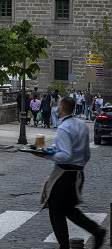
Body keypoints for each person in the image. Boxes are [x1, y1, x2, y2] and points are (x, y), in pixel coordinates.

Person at [39, 97, 106, 249]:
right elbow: (86, 153)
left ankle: (65, 245)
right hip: (78, 173)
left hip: (64, 174)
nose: (56, 108)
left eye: (58, 106)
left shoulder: (64, 128)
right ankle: (96, 230)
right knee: (68, 209)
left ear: (61, 109)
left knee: (55, 209)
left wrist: (46, 154)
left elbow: (66, 155)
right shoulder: (81, 125)